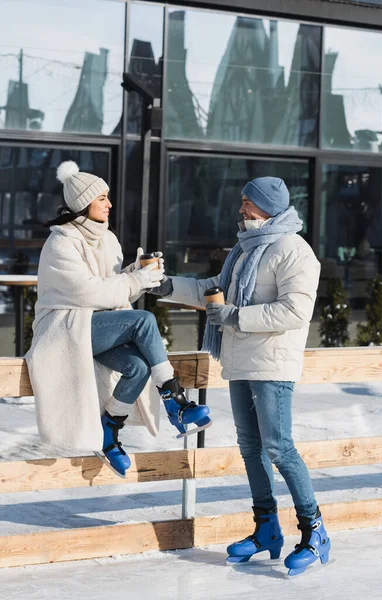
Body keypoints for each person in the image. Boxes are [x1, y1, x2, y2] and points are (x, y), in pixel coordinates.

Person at [151, 176, 330, 576]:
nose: (242, 209)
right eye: (242, 202)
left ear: (269, 206)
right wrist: (163, 286)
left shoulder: (294, 252)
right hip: (240, 361)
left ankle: (314, 531)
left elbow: (294, 311)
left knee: (279, 447)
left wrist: (235, 317)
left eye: (248, 203)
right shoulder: (245, 250)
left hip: (272, 364)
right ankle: (266, 528)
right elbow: (212, 291)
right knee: (250, 447)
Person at [26, 161, 211, 478]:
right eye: (102, 198)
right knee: (143, 321)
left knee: (137, 367)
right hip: (64, 329)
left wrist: (137, 272)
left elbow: (110, 286)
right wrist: (136, 280)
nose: (110, 204)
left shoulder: (108, 239)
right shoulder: (61, 243)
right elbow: (88, 292)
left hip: (98, 328)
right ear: (85, 203)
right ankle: (175, 401)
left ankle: (110, 434)